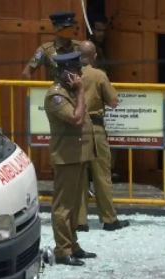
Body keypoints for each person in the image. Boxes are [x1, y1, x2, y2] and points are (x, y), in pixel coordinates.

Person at [43, 51, 97, 266]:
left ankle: (73, 244)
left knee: (74, 205)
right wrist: (81, 91)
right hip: (66, 157)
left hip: (78, 155)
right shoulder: (56, 96)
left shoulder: (70, 91)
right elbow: (76, 118)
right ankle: (63, 250)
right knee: (63, 206)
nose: (79, 76)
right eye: (76, 72)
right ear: (65, 73)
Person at [74, 40, 130, 232]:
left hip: (74, 130)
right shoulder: (99, 75)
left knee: (79, 175)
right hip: (95, 128)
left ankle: (80, 221)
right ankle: (109, 219)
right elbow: (113, 101)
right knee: (102, 175)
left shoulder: (69, 75)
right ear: (94, 56)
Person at [22, 12, 82, 80]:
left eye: (72, 27)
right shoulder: (44, 50)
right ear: (56, 29)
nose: (72, 30)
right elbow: (26, 72)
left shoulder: (80, 47)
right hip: (55, 89)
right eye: (67, 27)